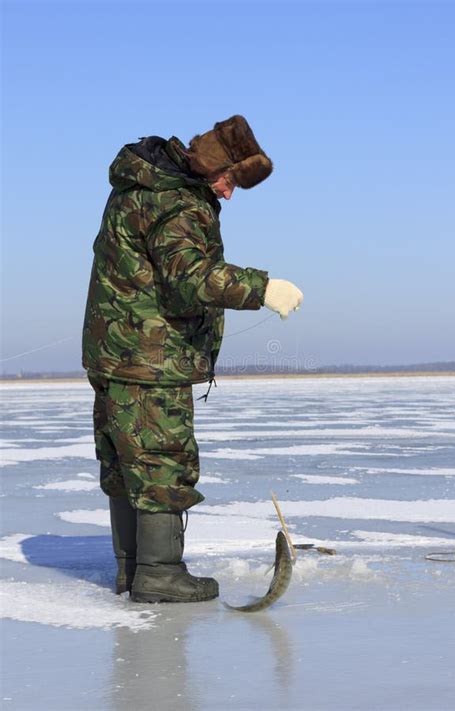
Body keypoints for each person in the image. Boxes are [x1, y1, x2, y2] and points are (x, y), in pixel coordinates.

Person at [82, 115, 303, 604]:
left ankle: (133, 570)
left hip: (114, 352)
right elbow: (193, 276)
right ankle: (159, 575)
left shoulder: (138, 187)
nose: (228, 195)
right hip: (150, 359)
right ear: (210, 169)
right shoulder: (178, 203)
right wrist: (263, 288)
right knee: (161, 463)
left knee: (125, 463)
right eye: (228, 182)